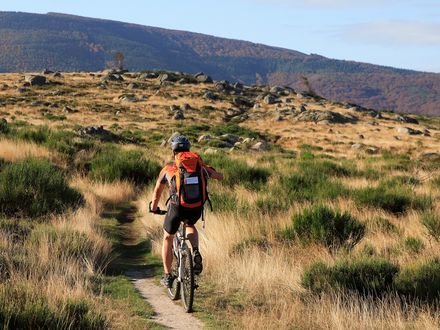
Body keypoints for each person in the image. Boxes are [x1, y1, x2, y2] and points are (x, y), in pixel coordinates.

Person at [150, 135, 223, 288]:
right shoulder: (199, 166)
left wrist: (154, 207)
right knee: (190, 225)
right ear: (188, 149)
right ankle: (195, 251)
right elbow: (219, 177)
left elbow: (157, 191)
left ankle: (168, 275)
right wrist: (210, 172)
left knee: (168, 238)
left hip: (177, 208)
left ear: (173, 151)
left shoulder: (168, 169)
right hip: (195, 208)